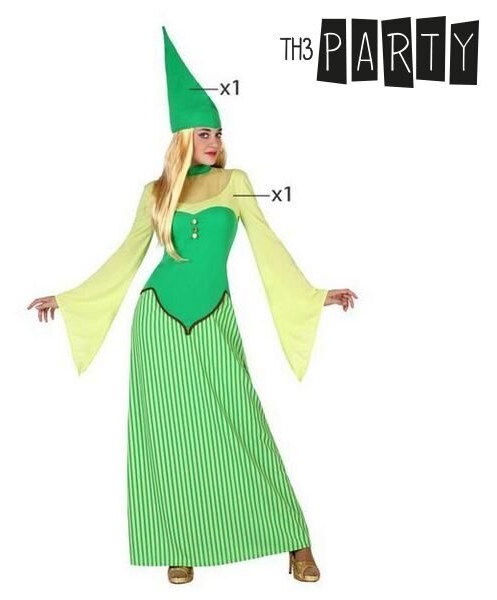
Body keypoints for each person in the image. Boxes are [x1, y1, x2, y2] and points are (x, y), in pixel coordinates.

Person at [27, 26, 357, 585]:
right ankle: (178, 542)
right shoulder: (155, 193)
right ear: (182, 137)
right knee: (168, 435)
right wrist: (68, 298)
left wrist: (313, 293)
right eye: (204, 132)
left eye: (218, 132)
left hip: (213, 320)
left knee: (244, 426)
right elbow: (127, 257)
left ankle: (295, 541)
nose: (214, 140)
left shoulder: (236, 181)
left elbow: (267, 244)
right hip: (157, 321)